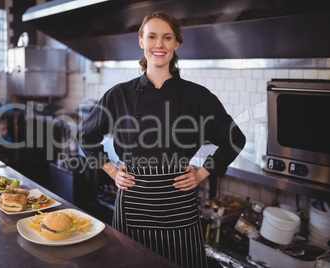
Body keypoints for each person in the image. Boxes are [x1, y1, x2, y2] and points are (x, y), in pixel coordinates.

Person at [78, 10, 246, 268]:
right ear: (141, 41)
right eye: (152, 37)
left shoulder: (197, 97)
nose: (159, 44)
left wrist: (202, 173)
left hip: (179, 206)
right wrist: (111, 171)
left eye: (167, 37)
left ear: (176, 44)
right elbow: (86, 136)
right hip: (133, 203)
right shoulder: (118, 95)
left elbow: (234, 138)